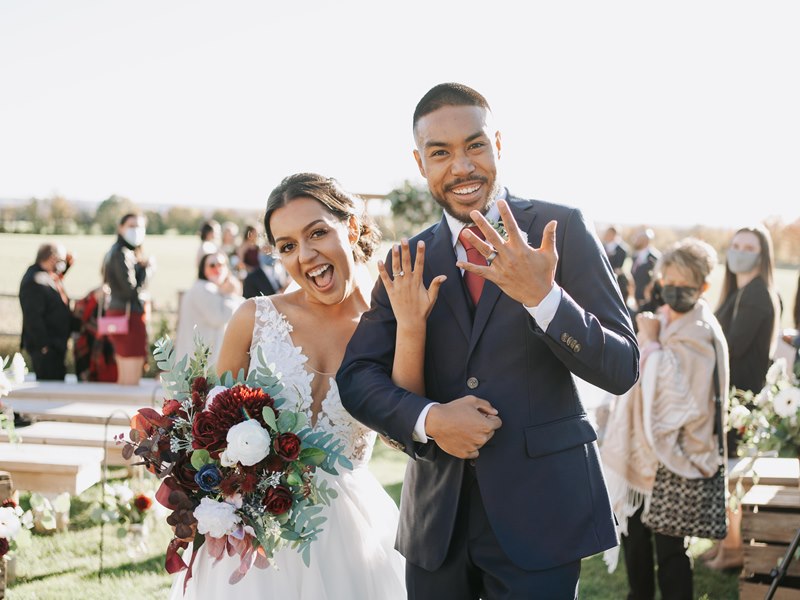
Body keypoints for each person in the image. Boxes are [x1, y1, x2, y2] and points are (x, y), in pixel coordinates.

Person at [337, 83, 639, 599]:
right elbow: (357, 379)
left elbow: (621, 366)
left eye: (475, 145)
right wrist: (431, 419)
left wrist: (544, 298)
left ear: (498, 142)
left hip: (541, 516)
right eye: (440, 153)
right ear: (420, 162)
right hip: (437, 525)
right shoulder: (406, 258)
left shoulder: (559, 229)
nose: (461, 167)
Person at [170, 173, 406, 598]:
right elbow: (206, 431)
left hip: (351, 537)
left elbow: (405, 433)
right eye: (287, 246)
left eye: (318, 233)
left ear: (350, 228)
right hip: (252, 537)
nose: (306, 255)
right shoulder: (253, 318)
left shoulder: (390, 327)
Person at [601, 238, 729, 600]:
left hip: (676, 458)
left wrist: (651, 342)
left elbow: (679, 390)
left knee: (671, 548)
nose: (673, 291)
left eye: (684, 286)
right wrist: (651, 338)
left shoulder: (700, 330)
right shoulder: (668, 317)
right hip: (646, 456)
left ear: (702, 287)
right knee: (635, 537)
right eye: (667, 283)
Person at [704, 224, 781, 571]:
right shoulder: (738, 291)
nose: (739, 251)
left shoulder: (757, 295)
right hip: (727, 398)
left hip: (739, 401)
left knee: (729, 474)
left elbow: (729, 347)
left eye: (748, 246)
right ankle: (724, 543)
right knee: (722, 472)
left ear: (762, 255)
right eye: (735, 245)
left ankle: (733, 549)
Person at [103, 213, 153, 386]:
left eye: (139, 226)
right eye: (131, 226)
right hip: (129, 317)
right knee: (131, 379)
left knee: (125, 377)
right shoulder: (121, 253)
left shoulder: (115, 251)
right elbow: (130, 291)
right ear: (120, 228)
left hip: (119, 315)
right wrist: (147, 270)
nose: (136, 230)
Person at [19, 243, 77, 381]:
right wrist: (44, 346)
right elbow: (32, 317)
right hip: (47, 348)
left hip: (55, 345)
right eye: (61, 260)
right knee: (49, 387)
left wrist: (68, 262)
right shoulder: (34, 280)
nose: (62, 264)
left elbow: (58, 275)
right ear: (52, 258)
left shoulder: (47, 275)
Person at [174, 252, 243, 366]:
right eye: (212, 265)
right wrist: (232, 295)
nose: (217, 268)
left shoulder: (213, 290)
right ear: (203, 269)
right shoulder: (203, 289)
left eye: (221, 265)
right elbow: (219, 317)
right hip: (199, 363)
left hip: (203, 361)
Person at [72, 286, 118, 382]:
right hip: (90, 351)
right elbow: (78, 322)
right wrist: (94, 299)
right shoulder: (93, 295)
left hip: (111, 355)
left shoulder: (121, 297)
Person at [630, 227, 661, 312]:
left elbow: (657, 276)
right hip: (636, 295)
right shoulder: (635, 256)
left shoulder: (655, 257)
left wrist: (649, 290)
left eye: (639, 238)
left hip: (648, 298)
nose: (636, 240)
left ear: (645, 240)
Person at [603, 225, 631, 304]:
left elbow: (624, 268)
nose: (606, 235)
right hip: (604, 280)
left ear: (614, 234)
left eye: (608, 233)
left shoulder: (623, 250)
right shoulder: (602, 246)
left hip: (619, 281)